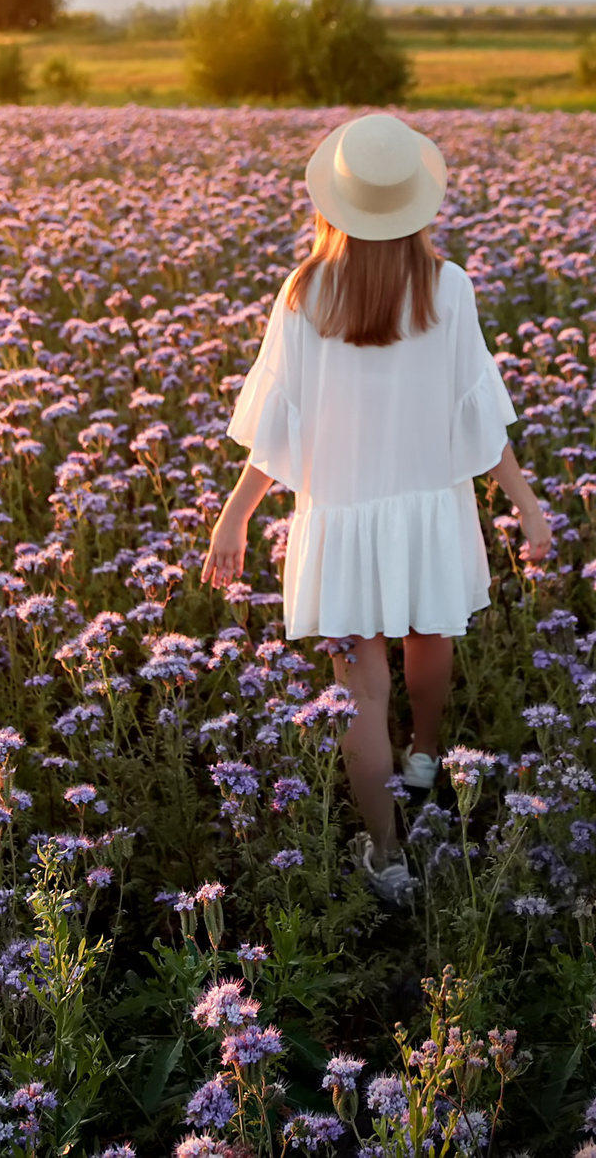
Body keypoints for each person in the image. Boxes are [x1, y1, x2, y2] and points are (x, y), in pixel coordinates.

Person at [201, 112, 552, 902]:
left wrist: (236, 513)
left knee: (360, 692)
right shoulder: (446, 287)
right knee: (430, 633)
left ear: (336, 201)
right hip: (429, 509)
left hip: (342, 516)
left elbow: (279, 419)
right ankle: (425, 754)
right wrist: (527, 505)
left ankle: (388, 856)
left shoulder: (306, 291)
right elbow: (477, 414)